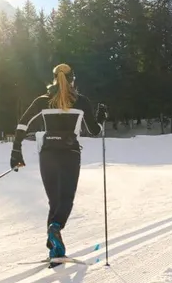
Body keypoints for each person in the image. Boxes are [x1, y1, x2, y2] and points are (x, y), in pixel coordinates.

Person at [10, 63, 107, 263]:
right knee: (66, 200)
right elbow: (95, 130)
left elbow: (22, 123)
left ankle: (54, 249)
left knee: (54, 201)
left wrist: (16, 151)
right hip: (69, 154)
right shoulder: (81, 101)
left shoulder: (42, 101)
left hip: (47, 154)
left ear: (54, 80)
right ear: (73, 79)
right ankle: (55, 229)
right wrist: (101, 117)